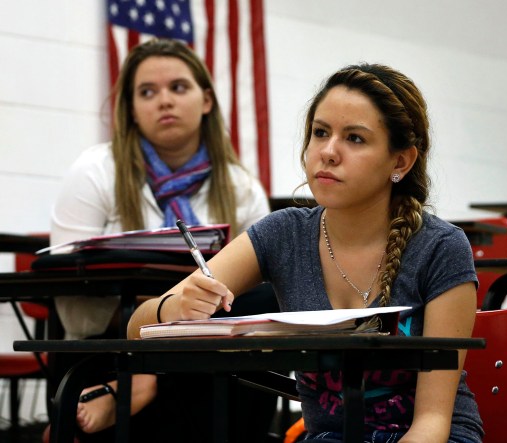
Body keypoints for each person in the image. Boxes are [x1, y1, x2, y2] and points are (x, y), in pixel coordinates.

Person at [128, 63, 484, 443]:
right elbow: (138, 328)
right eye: (320, 132)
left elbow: (432, 421)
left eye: (355, 139)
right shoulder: (284, 233)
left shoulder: (441, 248)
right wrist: (178, 307)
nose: (328, 152)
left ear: (400, 161)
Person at [50, 39, 275, 440]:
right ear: (132, 109)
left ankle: (147, 380)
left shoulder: (240, 186)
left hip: (210, 346)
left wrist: (189, 312)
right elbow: (74, 310)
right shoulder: (95, 170)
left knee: (267, 298)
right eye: (147, 92)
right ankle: (142, 373)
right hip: (113, 347)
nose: (164, 101)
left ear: (206, 100)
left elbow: (255, 292)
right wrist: (169, 308)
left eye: (178, 87)